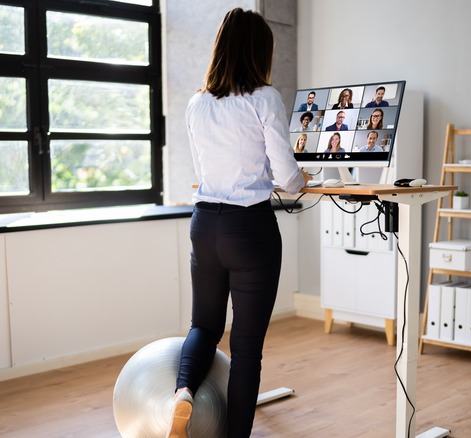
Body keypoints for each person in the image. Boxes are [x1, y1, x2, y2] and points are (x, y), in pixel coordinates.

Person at [174, 8, 311, 438]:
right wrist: (303, 178)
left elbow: (205, 169)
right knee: (247, 348)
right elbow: (288, 180)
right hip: (249, 230)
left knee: (204, 326)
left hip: (204, 224)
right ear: (259, 53)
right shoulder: (264, 97)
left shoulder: (197, 103)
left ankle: (181, 393)